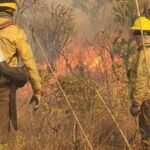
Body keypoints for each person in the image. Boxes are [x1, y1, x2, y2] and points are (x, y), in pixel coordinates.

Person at [0, 0, 41, 145]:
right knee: (2, 137)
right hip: (3, 90)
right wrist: (37, 90)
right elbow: (29, 64)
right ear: (12, 11)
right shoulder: (16, 33)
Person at [130, 16, 150, 149]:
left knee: (147, 135)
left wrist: (136, 103)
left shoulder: (144, 53)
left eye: (136, 33)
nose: (134, 37)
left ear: (141, 35)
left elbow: (142, 79)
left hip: (147, 101)